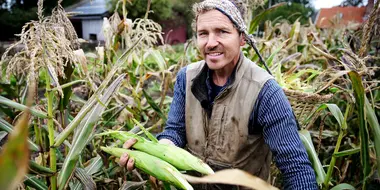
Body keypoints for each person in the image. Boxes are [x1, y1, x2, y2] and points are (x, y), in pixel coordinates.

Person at [119, 0, 318, 189]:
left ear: (242, 38)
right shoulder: (185, 78)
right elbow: (175, 131)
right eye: (203, 33)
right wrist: (154, 150)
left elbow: (295, 167)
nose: (210, 43)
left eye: (222, 32)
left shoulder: (265, 91)